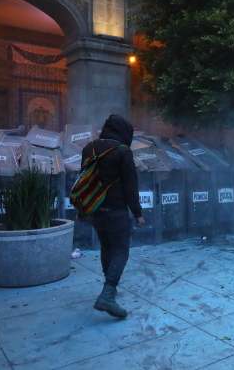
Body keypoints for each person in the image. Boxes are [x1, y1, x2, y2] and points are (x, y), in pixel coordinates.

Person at [80, 114, 145, 318]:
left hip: (95, 210)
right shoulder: (122, 152)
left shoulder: (88, 148)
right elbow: (130, 185)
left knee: (107, 246)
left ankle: (110, 289)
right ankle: (108, 294)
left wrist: (81, 209)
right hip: (116, 211)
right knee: (120, 251)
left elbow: (83, 180)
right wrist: (138, 213)